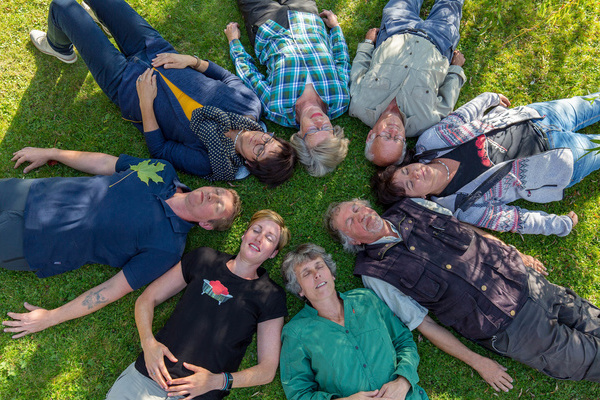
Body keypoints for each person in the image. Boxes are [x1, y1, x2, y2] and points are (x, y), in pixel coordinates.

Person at [326, 197, 600, 388]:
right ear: (354, 241)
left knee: (593, 319)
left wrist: (510, 251)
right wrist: (479, 362)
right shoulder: (374, 273)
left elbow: (468, 231)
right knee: (590, 359)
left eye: (355, 207)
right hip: (513, 329)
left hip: (526, 281)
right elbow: (425, 324)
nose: (359, 214)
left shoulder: (412, 206)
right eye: (350, 221)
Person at [29, 0, 296, 186]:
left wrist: (146, 103)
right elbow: (225, 76)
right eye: (269, 139)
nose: (259, 140)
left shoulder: (209, 162)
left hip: (127, 85)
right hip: (156, 50)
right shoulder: (250, 106)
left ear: (250, 164)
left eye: (260, 151)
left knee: (63, 7)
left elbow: (160, 150)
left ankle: (58, 47)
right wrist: (190, 61)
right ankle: (106, 22)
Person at [1, 146, 241, 338]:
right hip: (35, 192)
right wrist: (52, 153)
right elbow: (105, 163)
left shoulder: (168, 249)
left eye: (217, 205)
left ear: (207, 225)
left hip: (36, 242)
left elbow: (113, 289)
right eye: (218, 191)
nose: (212, 195)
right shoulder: (162, 171)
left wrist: (52, 317)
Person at [105, 209, 290, 399]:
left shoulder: (270, 295)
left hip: (196, 396)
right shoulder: (205, 259)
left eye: (269, 238)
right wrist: (148, 343)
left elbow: (267, 370)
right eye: (256, 230)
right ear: (244, 234)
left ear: (273, 253)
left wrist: (218, 381)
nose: (259, 238)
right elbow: (146, 300)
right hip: (146, 379)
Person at [371, 92, 600, 236]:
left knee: (593, 103)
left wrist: (488, 98)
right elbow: (514, 220)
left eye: (408, 170)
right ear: (419, 200)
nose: (417, 174)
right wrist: (559, 226)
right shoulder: (463, 207)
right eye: (411, 184)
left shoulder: (430, 143)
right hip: (559, 160)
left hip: (538, 115)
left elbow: (461, 117)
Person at [279, 243, 428, 400]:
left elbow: (403, 341)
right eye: (306, 273)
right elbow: (298, 394)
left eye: (319, 266)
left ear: (332, 274)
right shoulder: (296, 332)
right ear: (299, 289)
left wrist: (403, 382)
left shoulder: (366, 299)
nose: (317, 274)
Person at [224, 0, 350, 176]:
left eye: (313, 130)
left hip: (268, 25)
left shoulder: (277, 109)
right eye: (326, 129)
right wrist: (335, 29)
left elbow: (250, 75)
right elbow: (342, 61)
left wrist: (234, 42)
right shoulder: (341, 99)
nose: (319, 122)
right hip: (308, 18)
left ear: (300, 136)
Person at [349, 0, 467, 167]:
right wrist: (455, 69)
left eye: (386, 136)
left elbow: (359, 69)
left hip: (395, 30)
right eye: (397, 139)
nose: (394, 132)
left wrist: (368, 44)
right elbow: (448, 99)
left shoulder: (359, 105)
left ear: (371, 135)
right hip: (439, 41)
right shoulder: (426, 121)